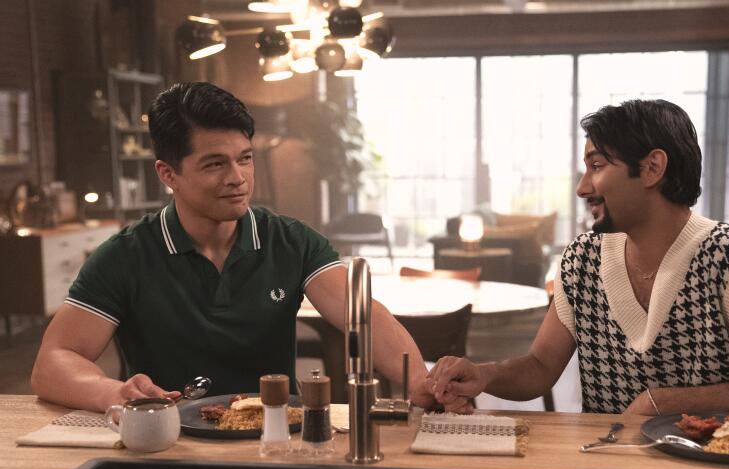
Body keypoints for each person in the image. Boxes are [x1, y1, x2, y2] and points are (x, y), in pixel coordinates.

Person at [31, 82, 446, 412]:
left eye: (244, 158)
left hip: (277, 434)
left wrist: (418, 382)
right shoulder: (125, 255)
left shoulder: (291, 241)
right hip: (171, 443)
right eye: (215, 164)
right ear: (168, 173)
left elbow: (363, 318)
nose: (238, 177)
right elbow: (53, 362)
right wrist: (113, 392)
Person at [428, 99, 729, 421]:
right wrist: (483, 374)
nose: (582, 187)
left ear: (652, 168)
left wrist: (662, 403)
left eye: (596, 166)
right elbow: (541, 368)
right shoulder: (582, 259)